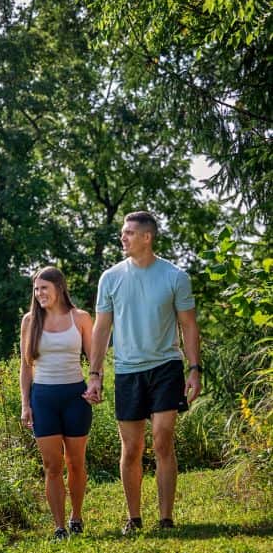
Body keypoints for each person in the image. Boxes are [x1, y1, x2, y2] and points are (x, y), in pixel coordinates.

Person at [85, 211, 202, 534]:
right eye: (124, 233)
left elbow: (188, 324)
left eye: (129, 233)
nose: (123, 238)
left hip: (166, 367)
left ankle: (166, 518)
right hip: (127, 371)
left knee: (163, 440)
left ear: (147, 237)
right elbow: (101, 328)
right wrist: (95, 373)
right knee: (132, 447)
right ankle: (134, 518)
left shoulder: (174, 276)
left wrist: (194, 369)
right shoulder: (110, 278)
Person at [20, 266, 94, 540]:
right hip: (43, 398)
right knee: (52, 466)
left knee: (75, 463)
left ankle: (76, 516)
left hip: (76, 396)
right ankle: (60, 526)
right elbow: (25, 367)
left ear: (60, 288)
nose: (40, 294)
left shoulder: (81, 318)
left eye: (44, 289)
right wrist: (25, 404)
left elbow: (94, 356)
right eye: (36, 289)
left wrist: (96, 382)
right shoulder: (30, 321)